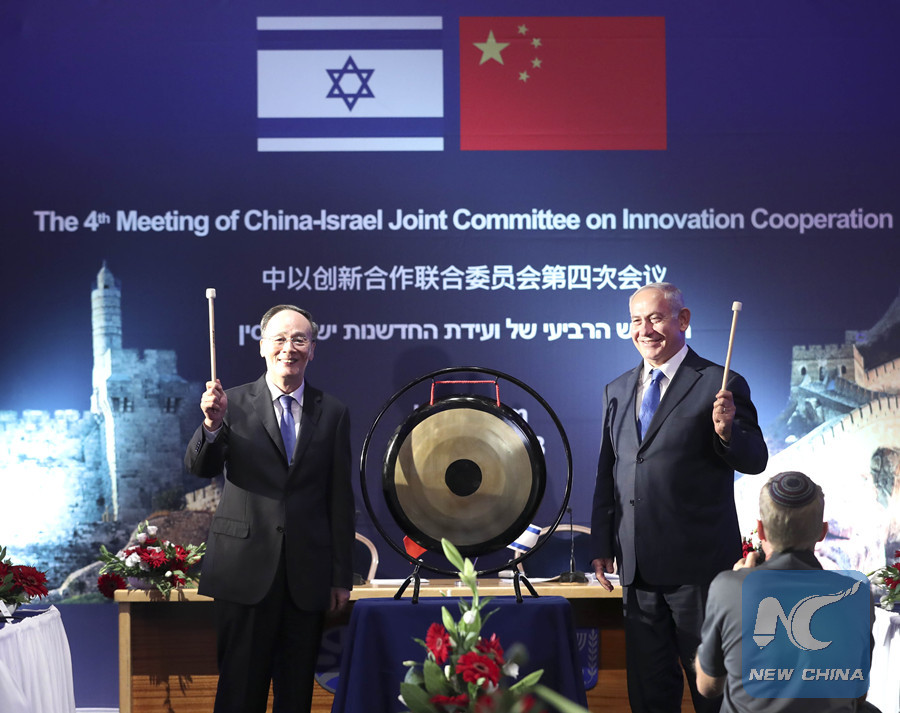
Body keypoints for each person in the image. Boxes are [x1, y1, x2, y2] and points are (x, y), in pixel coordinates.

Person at [590, 282, 769, 713]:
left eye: (655, 318)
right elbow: (609, 471)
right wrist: (602, 544)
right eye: (636, 321)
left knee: (714, 694)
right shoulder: (617, 389)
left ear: (683, 320)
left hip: (699, 572)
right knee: (649, 696)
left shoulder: (721, 383)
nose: (645, 330)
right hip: (637, 573)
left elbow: (755, 459)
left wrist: (727, 432)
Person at [185, 304, 355, 713]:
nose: (288, 348)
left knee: (295, 696)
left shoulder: (332, 412)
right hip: (243, 572)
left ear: (312, 349)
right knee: (240, 693)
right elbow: (200, 468)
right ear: (262, 346)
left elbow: (339, 498)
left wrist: (340, 577)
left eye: (299, 339)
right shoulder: (230, 403)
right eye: (279, 339)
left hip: (306, 577)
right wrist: (211, 426)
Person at [695, 471, 876, 713]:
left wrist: (736, 582)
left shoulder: (727, 588)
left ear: (760, 530)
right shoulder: (858, 596)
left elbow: (708, 686)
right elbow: (859, 694)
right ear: (822, 532)